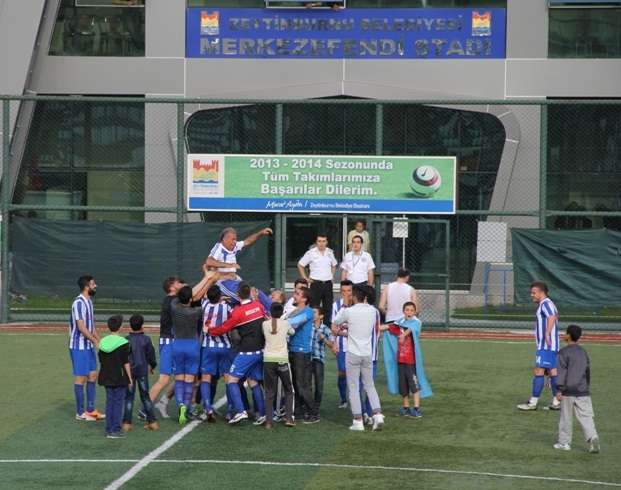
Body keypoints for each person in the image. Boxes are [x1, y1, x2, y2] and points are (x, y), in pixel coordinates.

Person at [207, 282, 267, 425]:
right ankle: (262, 413)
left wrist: (209, 330)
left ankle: (240, 411)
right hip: (260, 350)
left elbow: (223, 328)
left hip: (246, 352)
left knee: (231, 380)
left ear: (238, 295)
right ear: (250, 293)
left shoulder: (238, 312)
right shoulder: (258, 306)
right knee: (253, 382)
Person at [333, 285, 385, 432]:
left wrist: (345, 305)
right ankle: (377, 415)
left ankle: (358, 421)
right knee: (370, 385)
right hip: (367, 353)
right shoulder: (373, 311)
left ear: (356, 296)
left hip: (353, 353)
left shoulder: (349, 311)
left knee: (354, 388)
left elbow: (336, 321)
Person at [553, 324, 600, 453]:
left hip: (568, 391)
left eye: (565, 333)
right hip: (583, 390)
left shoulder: (563, 352)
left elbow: (561, 373)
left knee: (566, 417)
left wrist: (559, 389)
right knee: (586, 417)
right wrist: (586, 386)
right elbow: (587, 371)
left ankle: (564, 443)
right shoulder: (583, 352)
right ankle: (592, 436)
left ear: (568, 336)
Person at [382, 301, 433, 418]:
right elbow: (388, 327)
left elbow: (411, 329)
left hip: (411, 361)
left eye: (411, 310)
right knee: (403, 386)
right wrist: (373, 327)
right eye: (407, 310)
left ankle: (416, 409)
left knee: (414, 384)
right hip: (401, 360)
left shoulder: (416, 323)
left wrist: (403, 335)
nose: (409, 312)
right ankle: (406, 408)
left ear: (414, 312)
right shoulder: (399, 323)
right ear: (403, 311)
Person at [518, 281, 561, 411]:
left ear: (541, 292)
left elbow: (552, 317)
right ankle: (556, 402)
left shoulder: (546, 304)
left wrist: (547, 333)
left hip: (546, 346)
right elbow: (555, 316)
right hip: (550, 345)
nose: (532, 295)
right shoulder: (548, 303)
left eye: (534, 292)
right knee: (553, 371)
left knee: (539, 370)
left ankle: (533, 402)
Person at [70, 275, 104, 421]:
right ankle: (80, 413)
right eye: (93, 284)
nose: (95, 286)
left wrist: (99, 340)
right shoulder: (78, 303)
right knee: (81, 378)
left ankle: (90, 410)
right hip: (79, 346)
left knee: (93, 375)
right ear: (86, 286)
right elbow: (81, 327)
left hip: (88, 345)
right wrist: (94, 341)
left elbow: (91, 325)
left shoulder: (89, 301)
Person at [149, 276, 183, 419]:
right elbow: (192, 295)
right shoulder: (172, 300)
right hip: (168, 341)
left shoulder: (174, 300)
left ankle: (163, 402)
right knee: (163, 379)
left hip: (175, 341)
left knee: (182, 377)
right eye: (179, 283)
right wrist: (208, 278)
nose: (182, 284)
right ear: (171, 287)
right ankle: (145, 409)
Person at [199, 284, 232, 422]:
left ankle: (208, 408)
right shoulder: (227, 308)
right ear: (220, 296)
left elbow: (204, 297)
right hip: (225, 346)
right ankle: (230, 411)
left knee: (206, 378)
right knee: (228, 379)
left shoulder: (204, 305)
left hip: (208, 346)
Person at [286, 287, 318, 424]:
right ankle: (298, 412)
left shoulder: (308, 312)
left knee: (302, 384)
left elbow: (293, 323)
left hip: (302, 352)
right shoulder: (295, 310)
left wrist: (278, 322)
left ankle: (313, 413)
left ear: (304, 299)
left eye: (297, 294)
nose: (294, 296)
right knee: (295, 383)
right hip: (293, 350)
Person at [262, 302, 296, 429]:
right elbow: (292, 332)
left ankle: (269, 422)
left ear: (270, 312)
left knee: (269, 391)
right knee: (288, 389)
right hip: (282, 359)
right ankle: (289, 418)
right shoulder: (286, 323)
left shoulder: (264, 324)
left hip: (268, 360)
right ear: (282, 313)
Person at [97, 315, 132, 439]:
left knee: (109, 402)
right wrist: (130, 378)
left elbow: (101, 359)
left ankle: (108, 429)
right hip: (119, 377)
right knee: (118, 403)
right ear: (120, 327)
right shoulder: (124, 343)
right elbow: (125, 362)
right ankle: (115, 429)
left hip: (106, 375)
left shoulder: (102, 342)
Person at [122, 314, 158, 432]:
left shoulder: (126, 339)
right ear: (142, 326)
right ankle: (152, 422)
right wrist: (152, 366)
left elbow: (123, 357)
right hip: (142, 371)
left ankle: (126, 424)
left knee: (129, 397)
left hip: (129, 372)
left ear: (130, 326)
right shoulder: (146, 339)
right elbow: (151, 355)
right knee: (145, 397)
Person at [297, 233, 337, 324]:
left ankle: (326, 328)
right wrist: (305, 278)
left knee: (328, 308)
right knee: (314, 308)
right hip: (316, 284)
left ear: (326, 242)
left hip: (327, 284)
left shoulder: (330, 252)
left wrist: (332, 275)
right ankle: (313, 327)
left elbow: (334, 265)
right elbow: (300, 265)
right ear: (316, 242)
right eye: (319, 241)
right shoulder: (311, 253)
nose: (321, 243)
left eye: (323, 241)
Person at [206, 226, 273, 277]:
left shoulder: (234, 245)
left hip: (233, 277)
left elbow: (247, 241)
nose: (235, 241)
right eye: (233, 239)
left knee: (250, 289)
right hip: (222, 279)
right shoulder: (219, 247)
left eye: (235, 239)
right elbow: (209, 261)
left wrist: (261, 233)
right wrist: (230, 265)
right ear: (224, 239)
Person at [332, 280, 353, 408]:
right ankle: (343, 398)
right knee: (342, 371)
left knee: (355, 373)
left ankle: (354, 398)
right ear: (340, 292)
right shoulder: (336, 305)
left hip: (355, 345)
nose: (346, 293)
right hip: (342, 345)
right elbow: (333, 327)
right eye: (344, 291)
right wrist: (334, 343)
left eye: (349, 291)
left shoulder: (357, 305)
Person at [310, 307, 334, 420]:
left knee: (319, 386)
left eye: (314, 312)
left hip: (318, 360)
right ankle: (308, 407)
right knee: (307, 385)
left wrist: (323, 339)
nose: (312, 314)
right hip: (307, 359)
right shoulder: (308, 327)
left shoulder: (325, 329)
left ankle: (316, 408)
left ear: (321, 316)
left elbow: (332, 344)